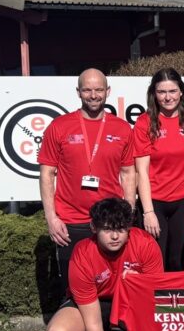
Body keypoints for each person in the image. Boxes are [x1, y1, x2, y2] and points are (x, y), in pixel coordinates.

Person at [44, 198, 163, 331]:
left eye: (121, 229)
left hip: (130, 301)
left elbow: (156, 299)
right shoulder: (82, 254)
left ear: (130, 228)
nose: (115, 236)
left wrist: (140, 283)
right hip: (96, 303)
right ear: (93, 227)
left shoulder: (145, 244)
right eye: (107, 229)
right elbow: (93, 321)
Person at [39, 68, 136, 300]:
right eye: (87, 90)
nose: (93, 95)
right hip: (70, 221)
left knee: (112, 288)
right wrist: (51, 218)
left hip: (109, 222)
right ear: (78, 92)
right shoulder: (59, 127)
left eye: (99, 90)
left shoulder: (122, 128)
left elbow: (129, 173)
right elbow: (46, 174)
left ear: (108, 92)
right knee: (74, 289)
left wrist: (128, 213)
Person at [133, 68, 184, 271]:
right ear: (154, 94)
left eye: (172, 91)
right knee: (155, 262)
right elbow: (142, 171)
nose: (168, 97)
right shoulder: (144, 123)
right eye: (162, 92)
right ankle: (153, 303)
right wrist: (148, 212)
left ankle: (179, 304)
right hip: (154, 201)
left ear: (181, 91)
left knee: (179, 262)